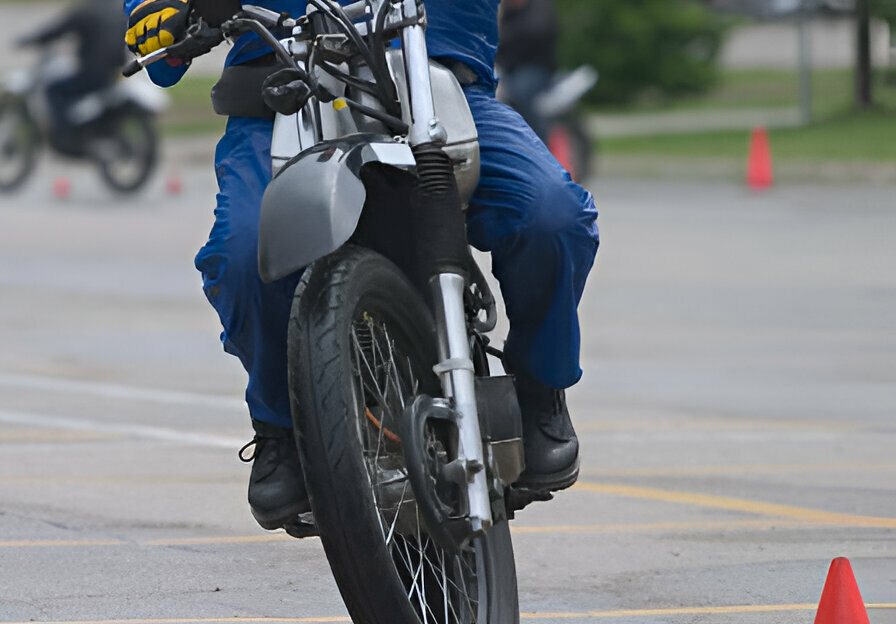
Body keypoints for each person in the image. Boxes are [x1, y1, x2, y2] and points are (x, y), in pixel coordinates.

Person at [126, 0, 599, 531]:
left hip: (432, 82)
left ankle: (540, 389)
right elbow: (160, 49)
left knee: (552, 216)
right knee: (243, 254)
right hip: (282, 94)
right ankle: (282, 427)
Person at [18, 0, 129, 132]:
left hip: (92, 73)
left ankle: (63, 133)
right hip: (114, 73)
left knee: (52, 89)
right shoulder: (119, 9)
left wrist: (31, 40)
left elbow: (58, 29)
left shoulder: (87, 10)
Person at [496, 0, 560, 142]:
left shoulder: (539, 7)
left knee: (519, 93)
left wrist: (505, 40)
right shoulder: (509, 11)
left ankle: (538, 139)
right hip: (510, 67)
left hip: (536, 67)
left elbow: (536, 32)